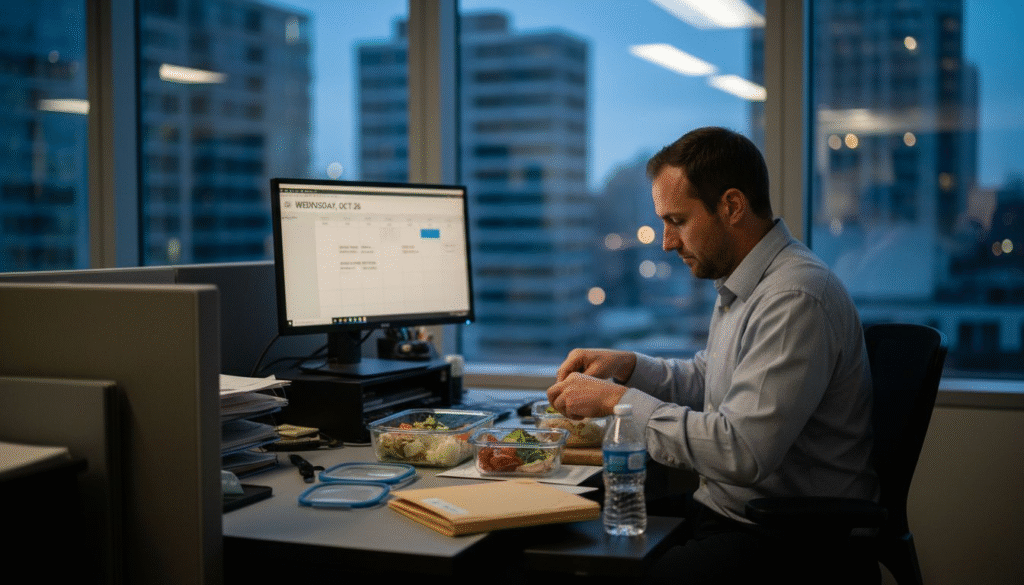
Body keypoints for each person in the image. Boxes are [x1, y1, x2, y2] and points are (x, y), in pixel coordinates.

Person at [547, 127, 879, 583]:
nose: (666, 241)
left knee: (597, 565)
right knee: (564, 530)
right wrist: (629, 367)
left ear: (732, 207)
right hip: (731, 510)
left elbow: (741, 450)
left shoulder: (794, 297)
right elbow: (710, 382)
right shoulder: (747, 281)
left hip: (788, 536)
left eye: (678, 221)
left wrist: (613, 402)